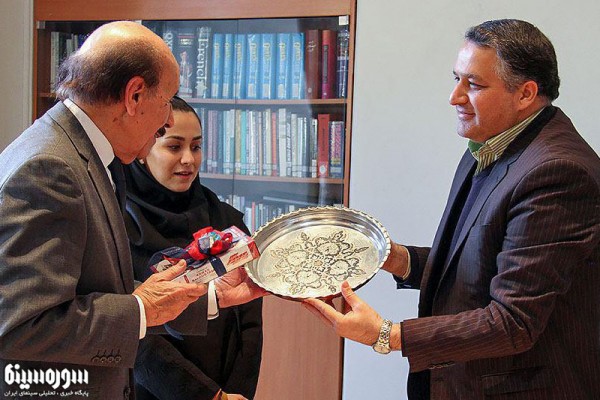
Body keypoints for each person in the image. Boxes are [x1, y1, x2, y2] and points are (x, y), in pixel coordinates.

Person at [304, 19, 600, 399]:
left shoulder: (558, 172)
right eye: (457, 79)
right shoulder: (490, 144)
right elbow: (476, 268)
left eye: (473, 84)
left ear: (526, 94)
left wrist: (387, 334)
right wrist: (392, 257)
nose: (454, 97)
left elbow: (514, 321)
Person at [0, 21, 264, 399]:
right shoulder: (50, 168)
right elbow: (21, 326)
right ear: (134, 95)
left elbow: (97, 292)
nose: (168, 119)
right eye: (167, 99)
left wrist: (208, 296)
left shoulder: (85, 156)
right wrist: (141, 308)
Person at [123, 96, 262, 400]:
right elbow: (134, 335)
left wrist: (236, 392)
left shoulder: (226, 219)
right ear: (144, 150)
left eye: (196, 147)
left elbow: (249, 323)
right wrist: (207, 395)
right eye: (174, 147)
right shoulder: (119, 225)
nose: (189, 159)